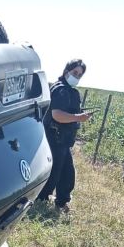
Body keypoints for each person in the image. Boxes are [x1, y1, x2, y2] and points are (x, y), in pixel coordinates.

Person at [37, 59, 92, 212]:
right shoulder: (61, 90)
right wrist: (78, 117)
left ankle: (59, 200)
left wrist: (77, 116)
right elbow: (57, 115)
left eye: (80, 75)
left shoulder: (67, 90)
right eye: (75, 73)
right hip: (55, 138)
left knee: (66, 171)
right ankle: (42, 199)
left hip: (62, 139)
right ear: (66, 71)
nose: (77, 77)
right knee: (55, 171)